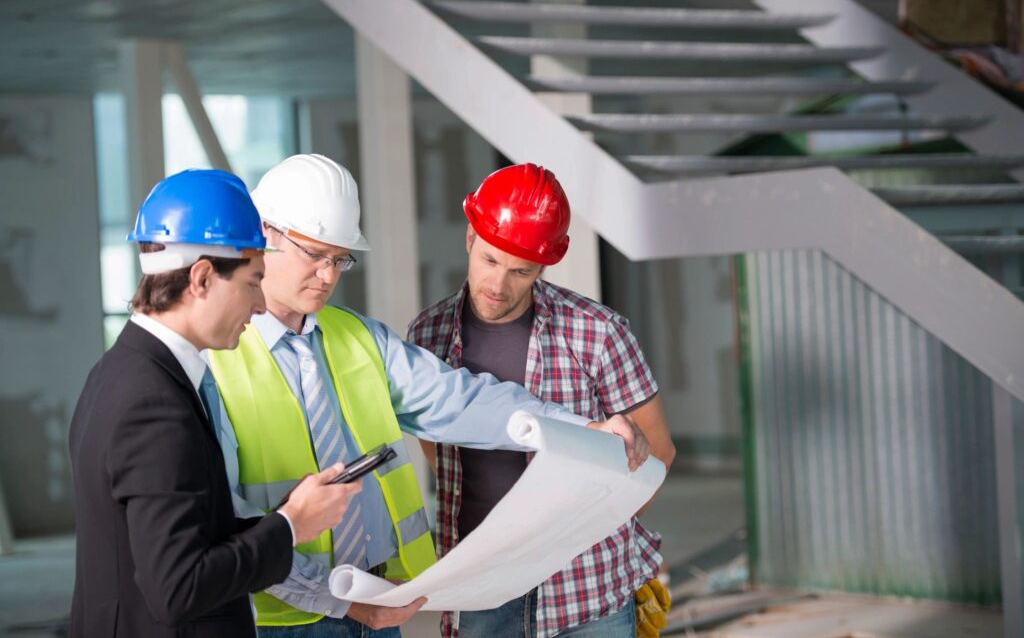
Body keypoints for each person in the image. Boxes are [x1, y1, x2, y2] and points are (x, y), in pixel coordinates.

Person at [206, 154, 650, 638]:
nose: (329, 276)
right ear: (265, 234)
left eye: (340, 259)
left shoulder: (356, 335)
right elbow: (224, 523)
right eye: (314, 254)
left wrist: (581, 427)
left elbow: (460, 400)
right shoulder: (215, 359)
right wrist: (336, 600)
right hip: (282, 619)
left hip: (378, 603)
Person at [69, 170, 361, 638]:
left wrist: (281, 514)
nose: (261, 306)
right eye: (252, 283)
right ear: (202, 277)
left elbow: (176, 535)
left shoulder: (120, 373)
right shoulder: (152, 403)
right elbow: (179, 588)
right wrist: (290, 525)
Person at [408, 163, 677, 638]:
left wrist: (591, 533)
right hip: (483, 583)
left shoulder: (596, 332)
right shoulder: (428, 334)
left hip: (587, 588)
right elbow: (435, 442)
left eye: (520, 271)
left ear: (544, 265)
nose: (498, 285)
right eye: (490, 260)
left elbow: (657, 450)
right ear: (470, 238)